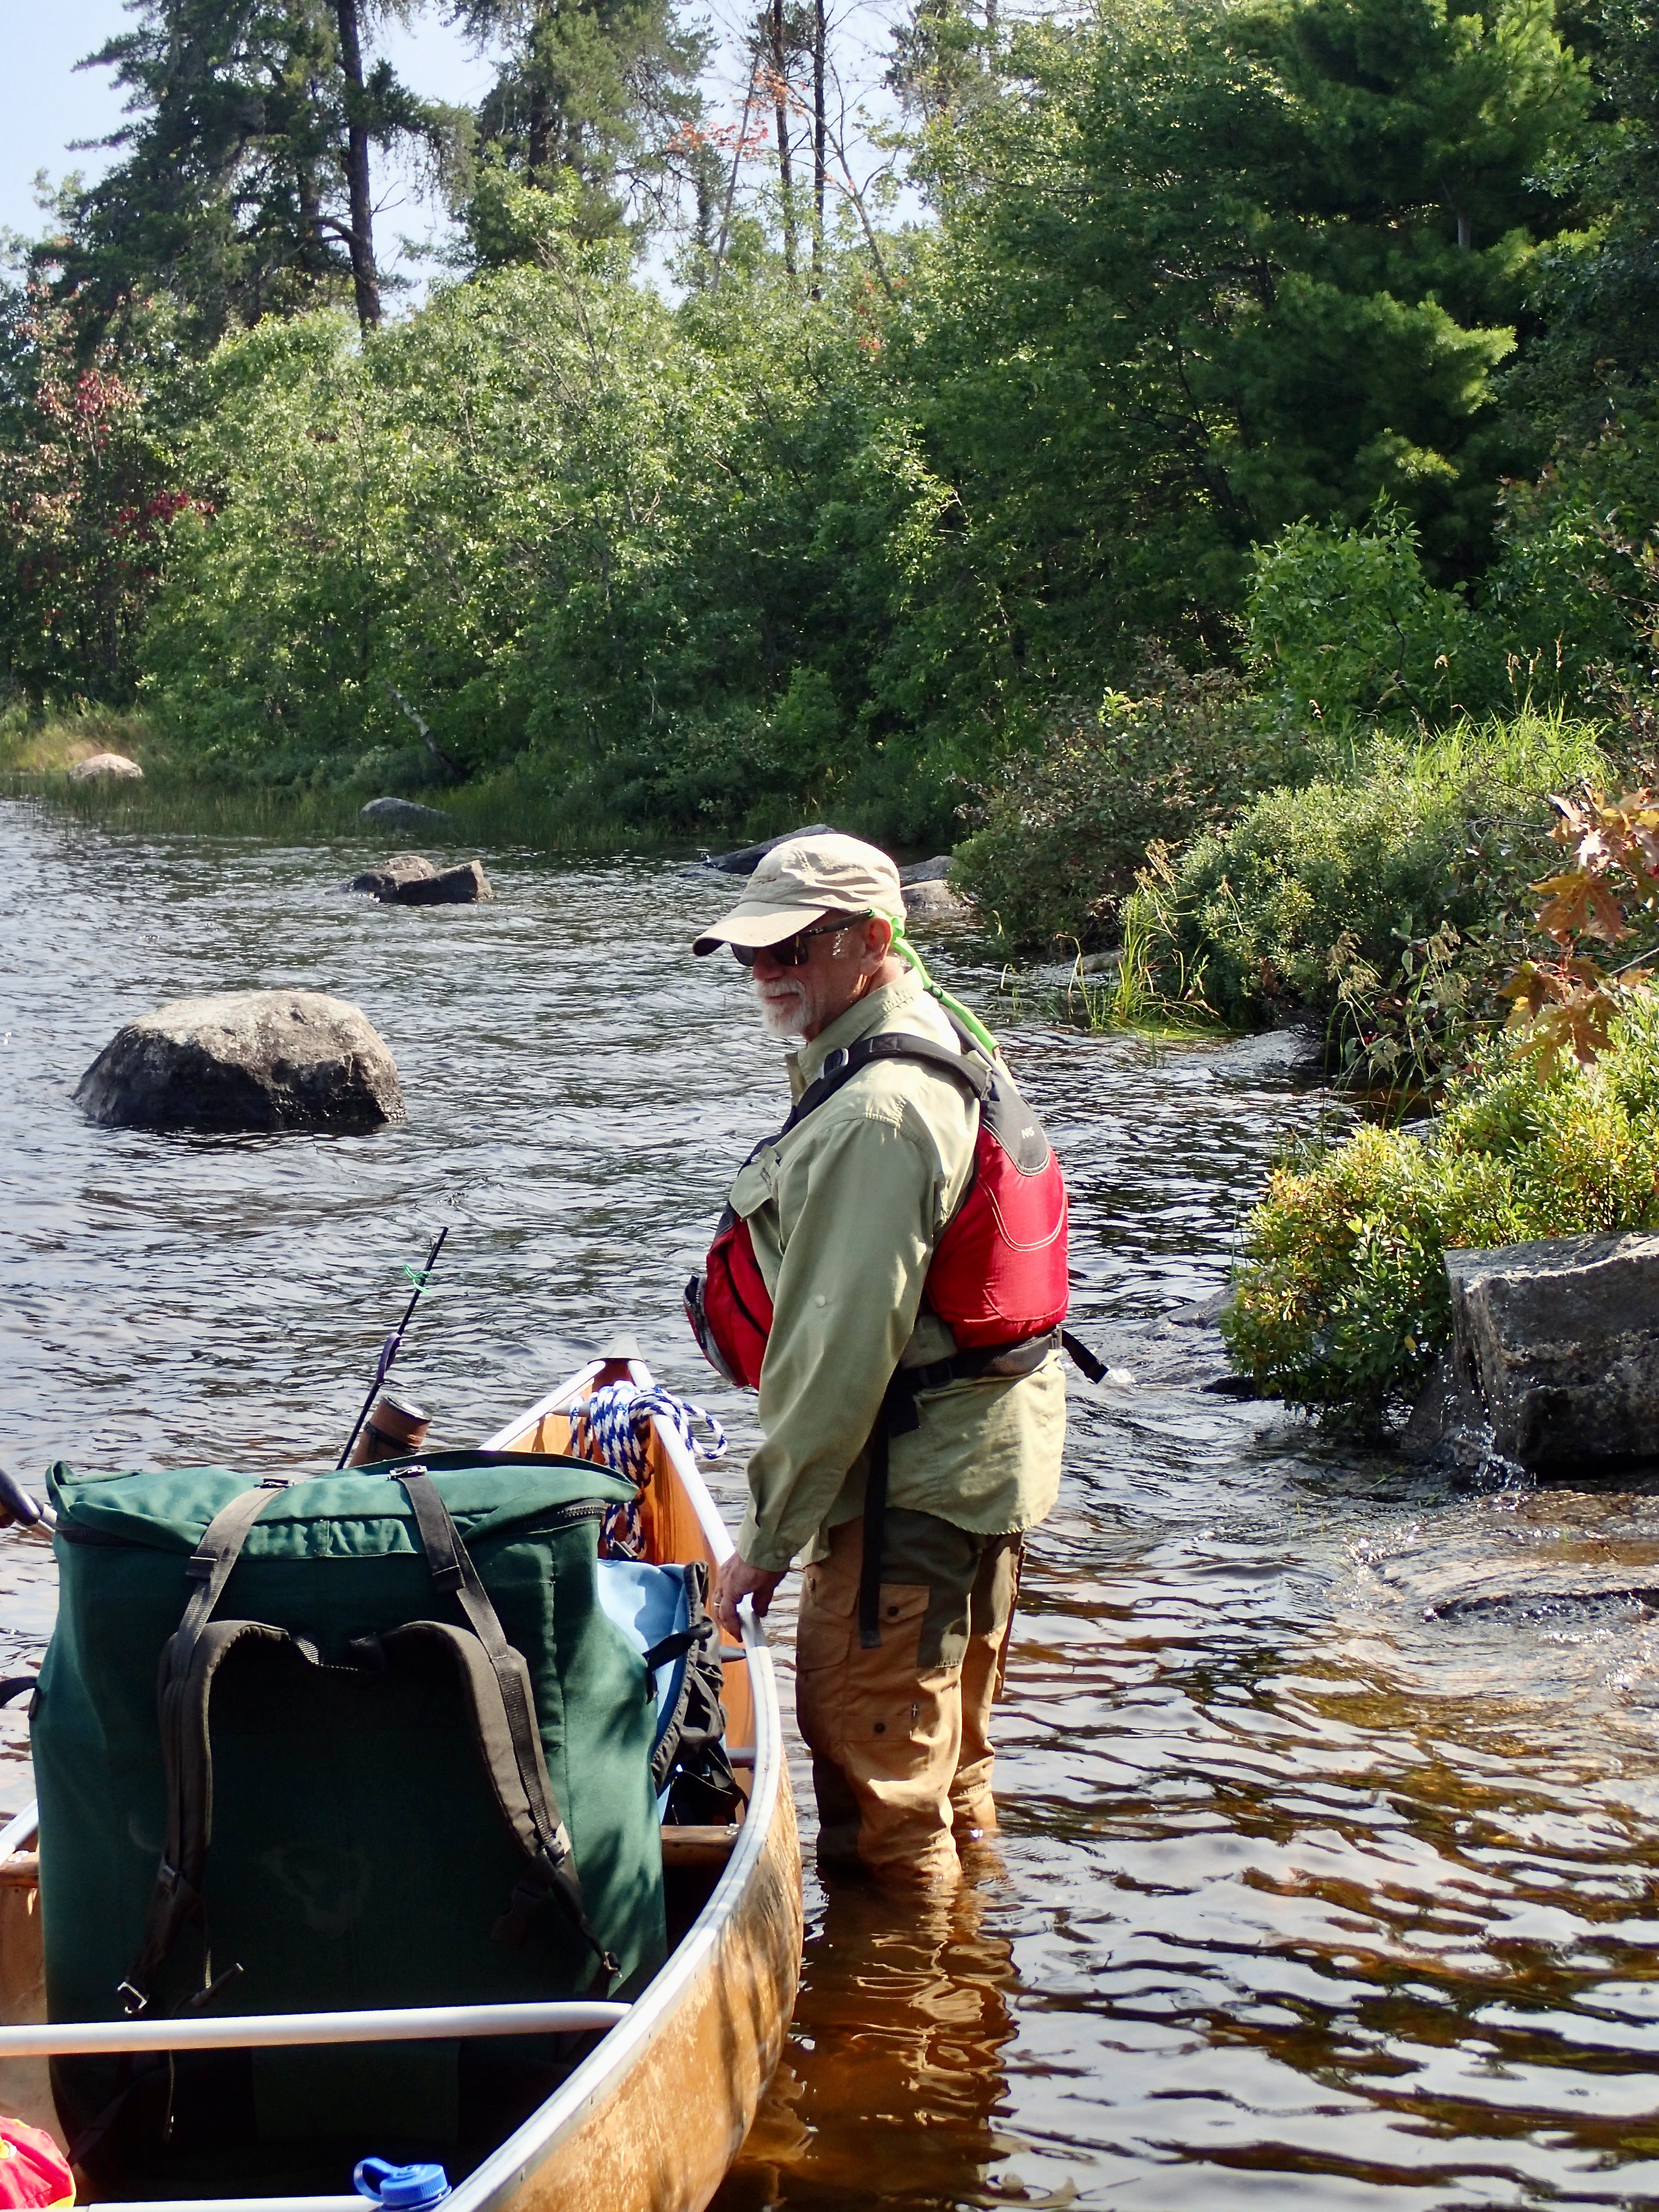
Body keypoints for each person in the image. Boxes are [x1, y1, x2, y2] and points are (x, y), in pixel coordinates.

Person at [685, 832, 1070, 1889]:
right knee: (947, 1770)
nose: (767, 973)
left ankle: (898, 2041)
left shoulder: (877, 1115)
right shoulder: (923, 1025)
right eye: (749, 955)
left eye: (794, 950)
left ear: (874, 941)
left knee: (878, 1795)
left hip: (913, 1491)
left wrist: (766, 1540)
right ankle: (970, 2006)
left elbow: (835, 1361)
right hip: (985, 1470)